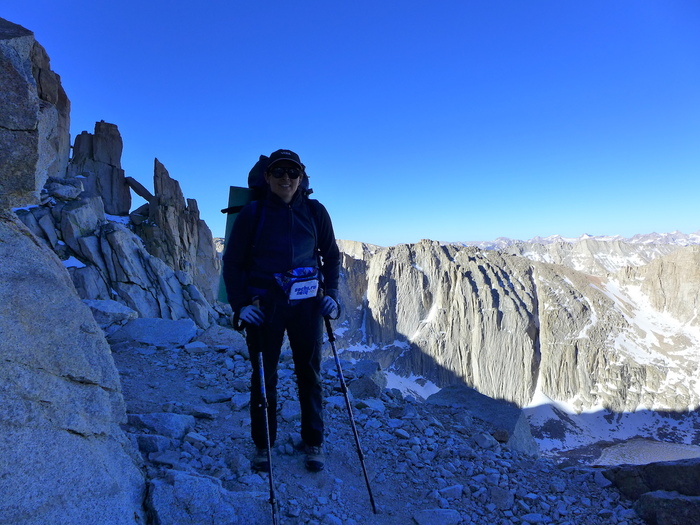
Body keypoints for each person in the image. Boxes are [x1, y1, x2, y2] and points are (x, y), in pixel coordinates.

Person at [222, 149, 340, 473]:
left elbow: (331, 257)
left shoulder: (316, 213)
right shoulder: (253, 213)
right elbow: (231, 263)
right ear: (267, 177)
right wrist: (240, 307)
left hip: (307, 307)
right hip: (264, 309)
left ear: (301, 178)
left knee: (310, 375)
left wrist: (331, 295)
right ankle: (264, 445)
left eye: (292, 172)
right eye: (278, 172)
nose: (285, 178)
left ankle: (313, 441)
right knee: (264, 377)